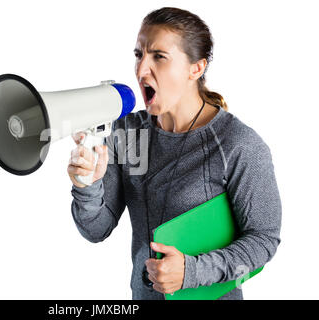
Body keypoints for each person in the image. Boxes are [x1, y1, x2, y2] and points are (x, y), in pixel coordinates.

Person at [67, 7, 282, 300]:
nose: (142, 70)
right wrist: (87, 185)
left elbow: (263, 241)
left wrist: (191, 272)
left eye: (159, 56)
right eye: (138, 54)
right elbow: (96, 229)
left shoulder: (239, 144)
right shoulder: (126, 133)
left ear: (196, 68)